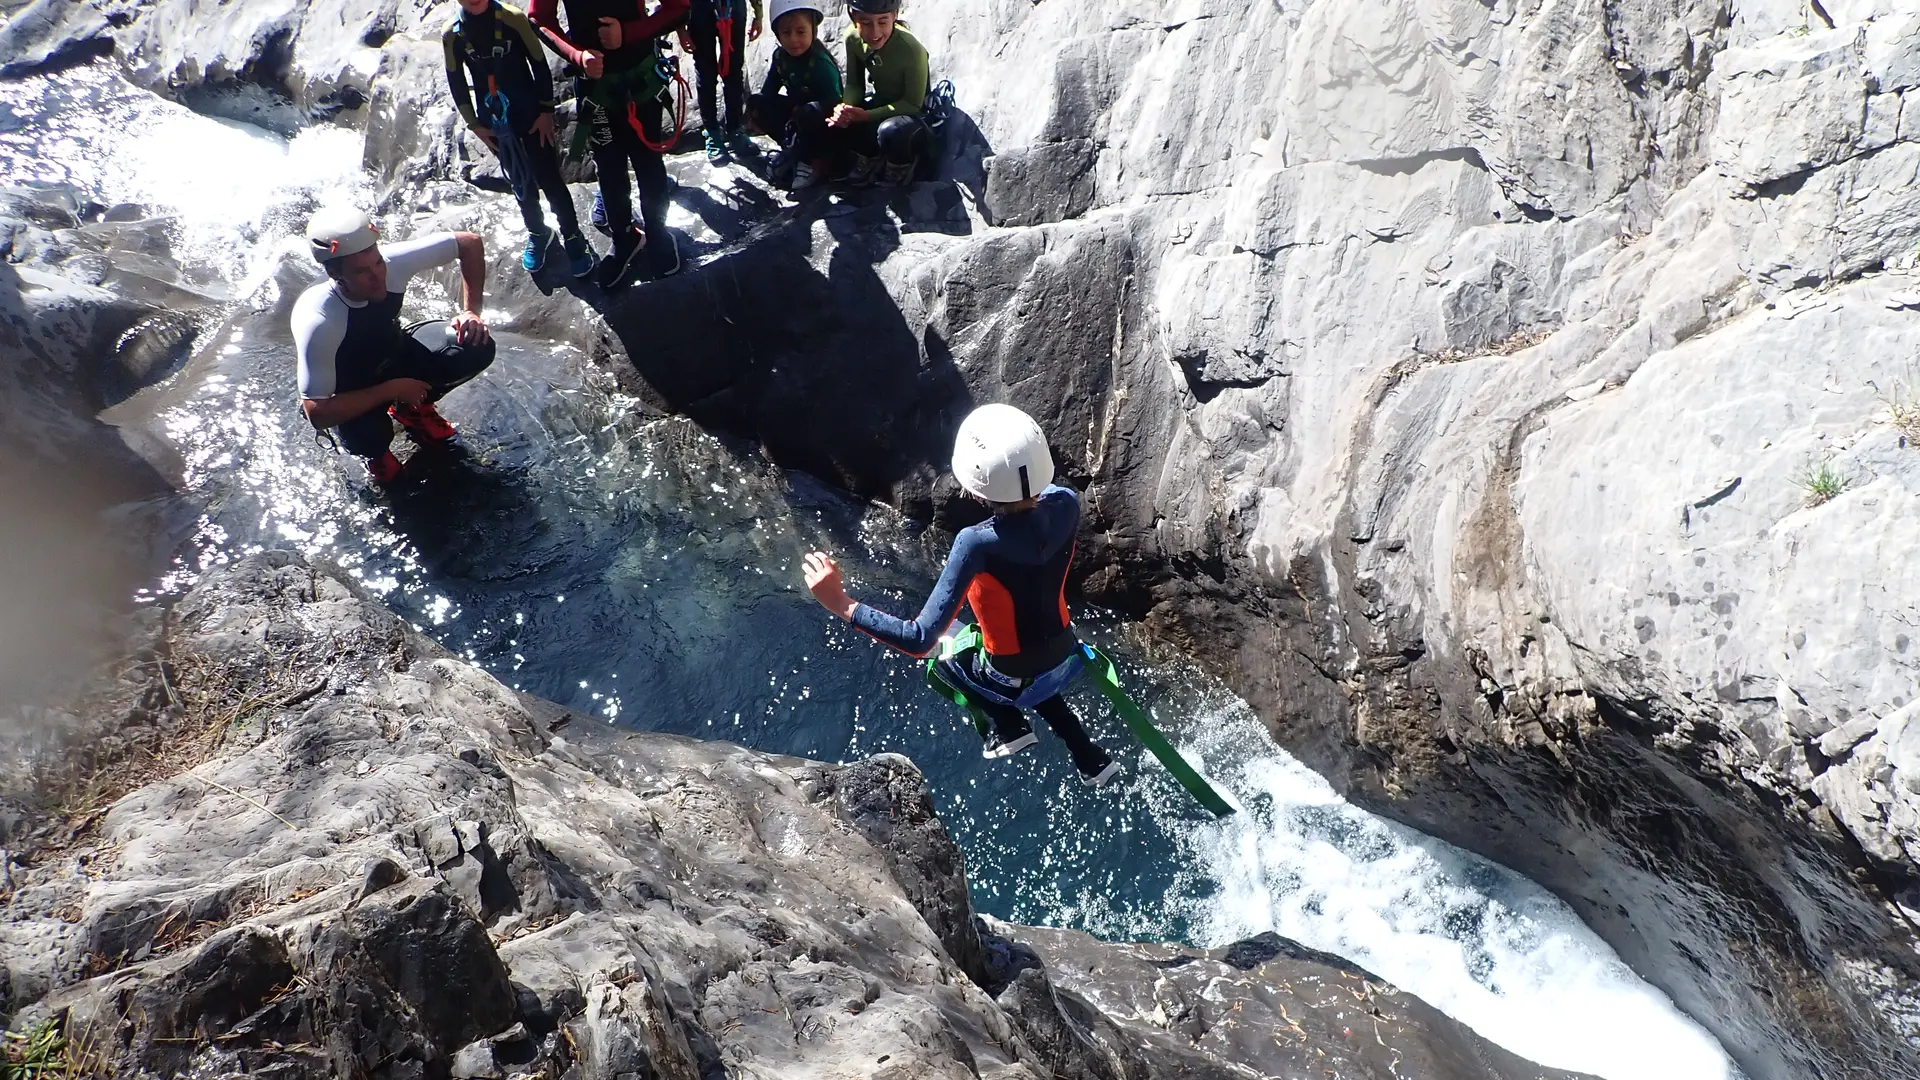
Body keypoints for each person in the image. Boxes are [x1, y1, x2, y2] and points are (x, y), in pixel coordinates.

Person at [801, 404, 1119, 786]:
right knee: (1029, 671)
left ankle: (1008, 727)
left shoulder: (975, 543)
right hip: (1064, 653)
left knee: (946, 655)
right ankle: (1089, 756)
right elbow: (1032, 487)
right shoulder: (1067, 502)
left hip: (1011, 672)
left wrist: (840, 602)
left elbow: (917, 639)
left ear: (975, 486)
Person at [293, 208, 496, 489]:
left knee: (475, 345)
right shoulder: (320, 320)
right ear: (334, 273)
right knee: (368, 437)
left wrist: (471, 312)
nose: (378, 276)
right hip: (350, 389)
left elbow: (468, 242)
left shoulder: (392, 263)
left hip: (393, 352)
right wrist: (393, 389)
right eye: (362, 271)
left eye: (377, 262)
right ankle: (376, 455)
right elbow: (317, 411)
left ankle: (412, 409)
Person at [530, 0, 689, 287]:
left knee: (648, 161)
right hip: (596, 88)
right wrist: (577, 56)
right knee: (609, 165)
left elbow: (678, 7)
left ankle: (657, 231)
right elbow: (540, 18)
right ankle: (624, 236)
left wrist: (626, 34)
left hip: (640, 82)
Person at [442, 0, 596, 279]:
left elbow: (539, 64)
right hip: (497, 122)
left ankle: (572, 234)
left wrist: (546, 110)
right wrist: (474, 124)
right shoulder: (453, 34)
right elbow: (456, 81)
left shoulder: (512, 18)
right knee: (519, 181)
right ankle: (538, 231)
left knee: (549, 177)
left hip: (531, 114)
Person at [828, 0, 929, 187]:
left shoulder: (911, 49)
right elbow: (854, 84)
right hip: (880, 104)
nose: (874, 33)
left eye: (883, 22)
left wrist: (867, 115)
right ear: (853, 16)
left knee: (891, 131)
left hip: (912, 117)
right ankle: (871, 157)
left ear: (895, 16)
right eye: (865, 23)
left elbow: (913, 104)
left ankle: (899, 166)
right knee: (838, 121)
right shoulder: (853, 39)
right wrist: (846, 108)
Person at [745, 0, 841, 190]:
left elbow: (834, 104)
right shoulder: (781, 57)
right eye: (786, 33)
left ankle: (811, 161)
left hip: (823, 123)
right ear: (778, 35)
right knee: (756, 102)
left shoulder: (821, 64)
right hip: (799, 115)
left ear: (813, 30)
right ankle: (793, 151)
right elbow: (768, 91)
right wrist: (757, 114)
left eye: (801, 32)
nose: (794, 40)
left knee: (808, 113)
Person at [682, 0, 763, 165]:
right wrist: (679, 27)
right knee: (706, 73)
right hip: (699, 9)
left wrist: (758, 13)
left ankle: (735, 129)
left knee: (734, 70)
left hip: (734, 6)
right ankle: (712, 132)